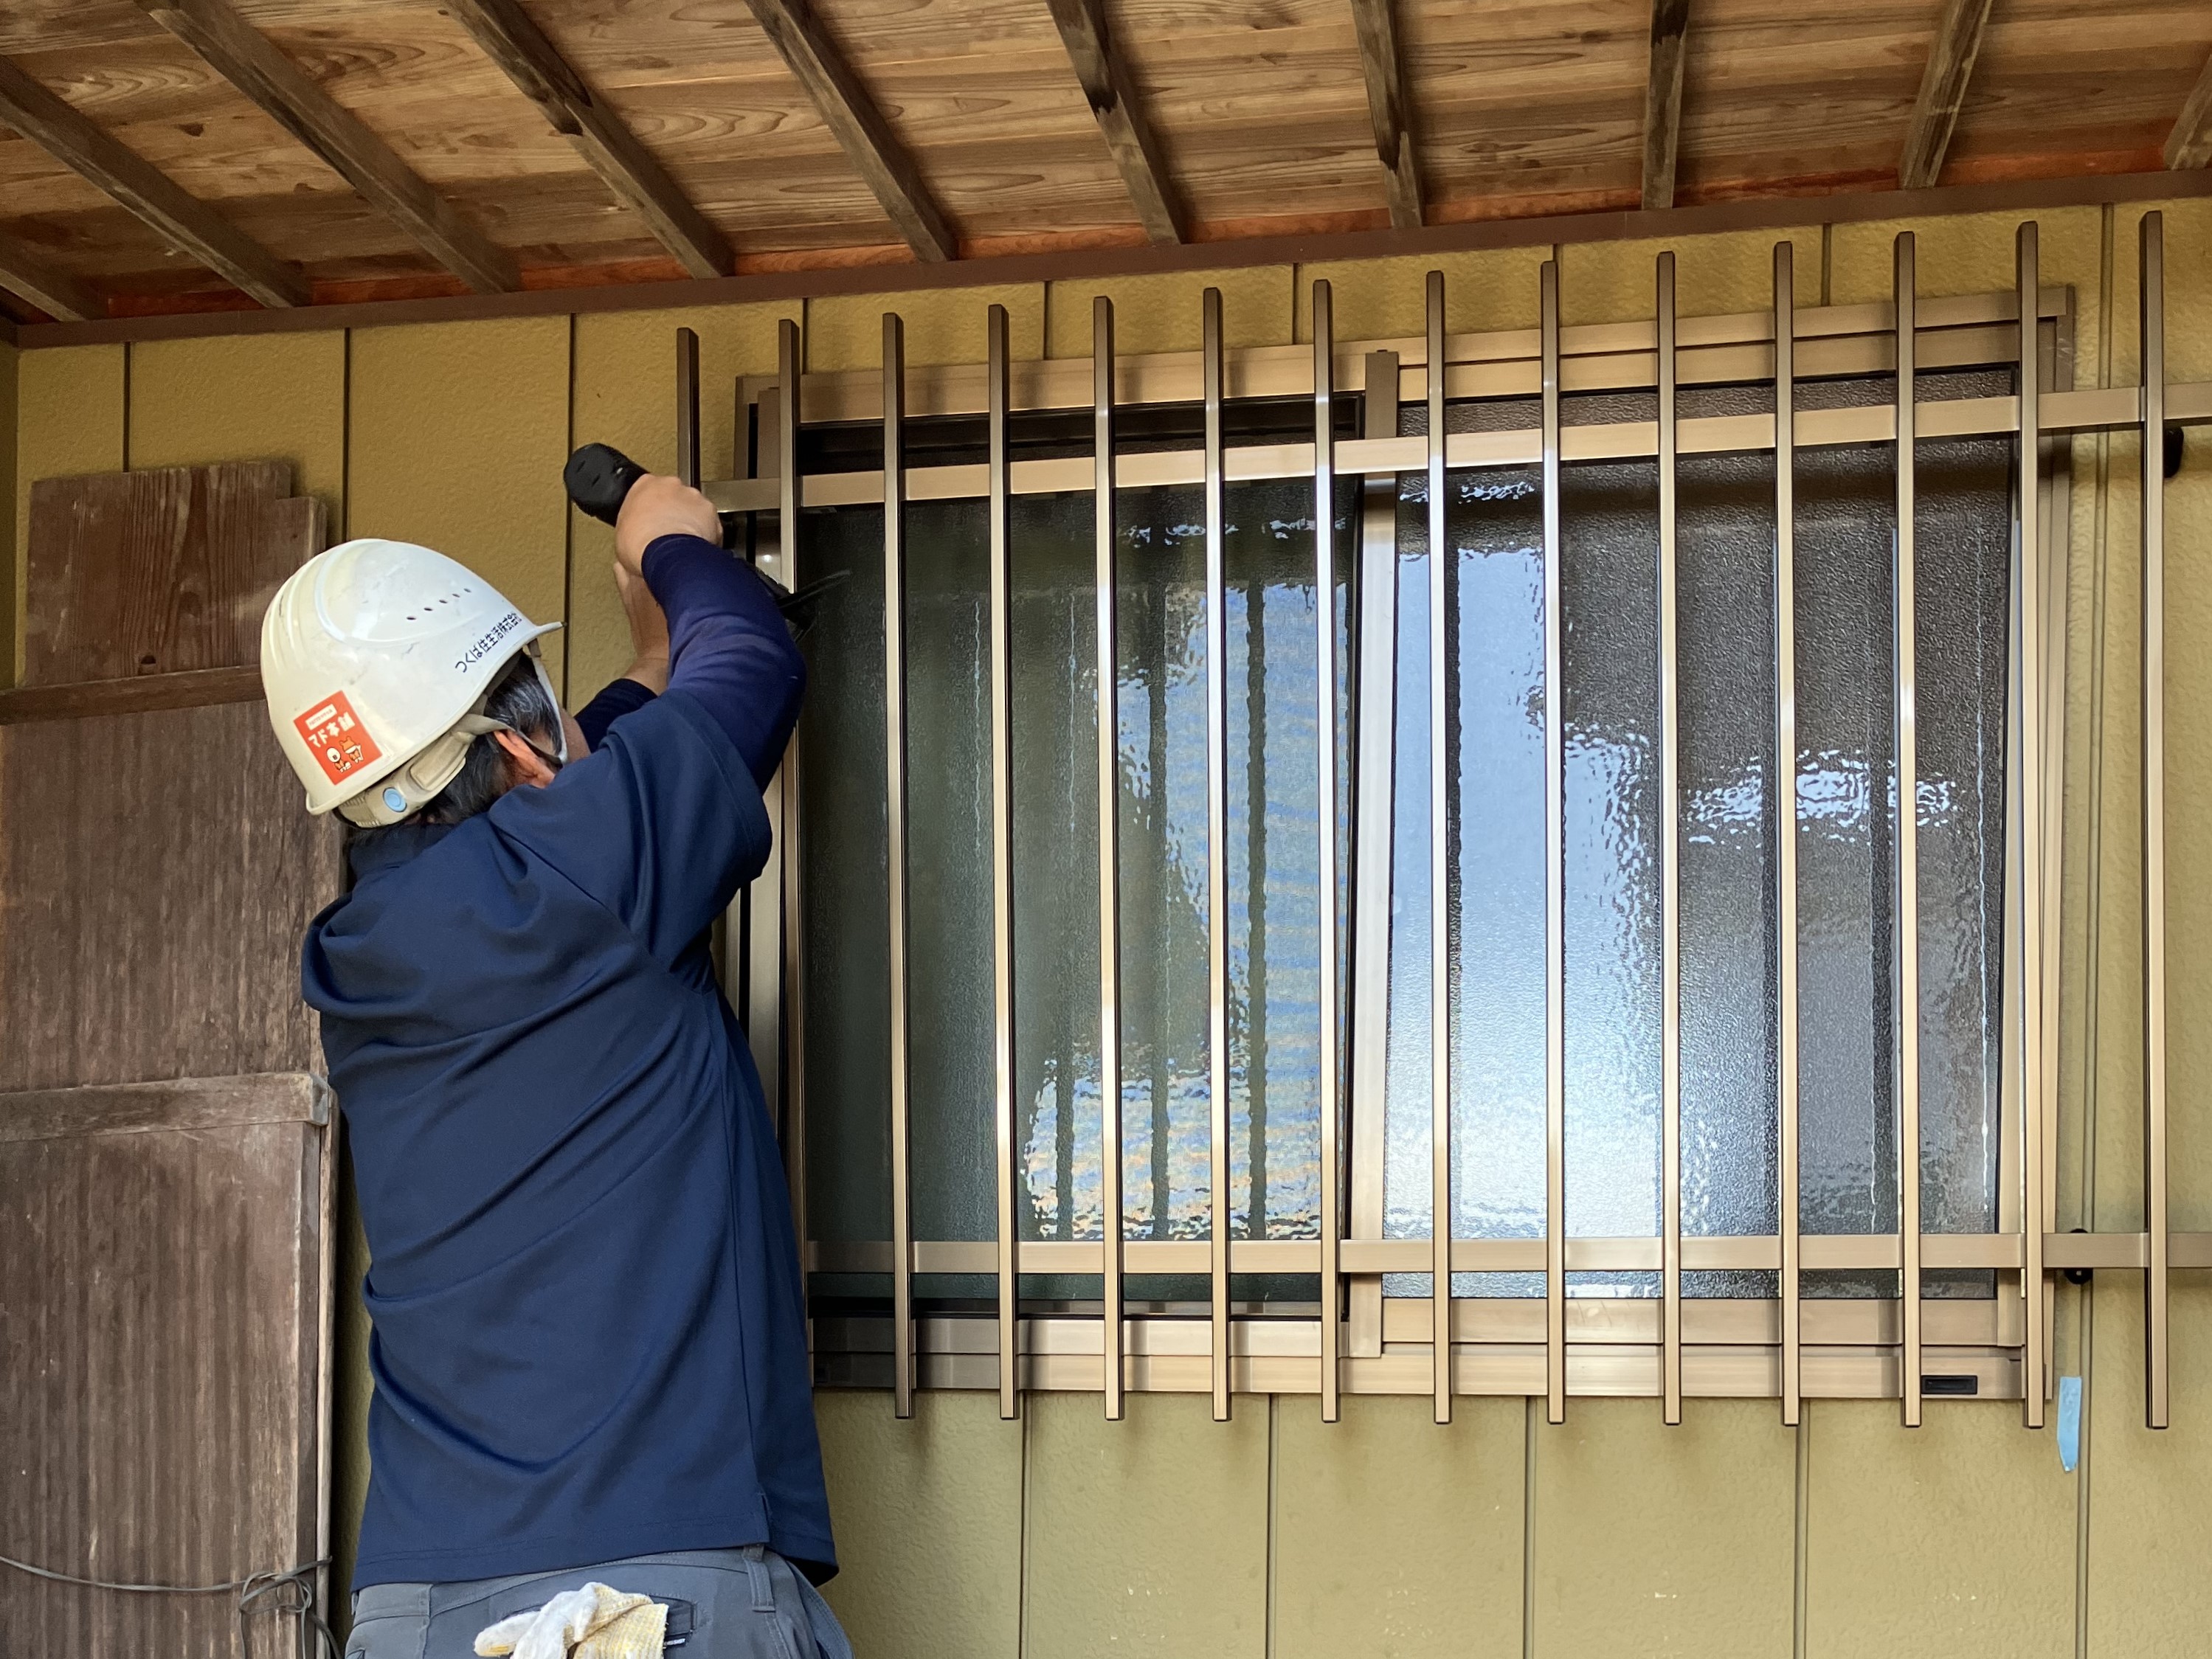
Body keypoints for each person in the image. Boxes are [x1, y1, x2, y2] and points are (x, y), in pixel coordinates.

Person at [260, 475, 847, 1659]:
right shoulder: (588, 871)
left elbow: (583, 806)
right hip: (652, 1595)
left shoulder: (359, 961)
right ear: (525, 756)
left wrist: (643, 662)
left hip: (421, 1607)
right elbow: (751, 663)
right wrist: (673, 547)